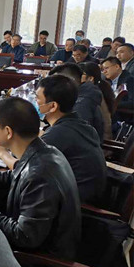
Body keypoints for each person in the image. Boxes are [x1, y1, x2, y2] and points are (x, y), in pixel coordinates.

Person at [0, 97, 81, 260]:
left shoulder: (38, 175)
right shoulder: (45, 151)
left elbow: (25, 237)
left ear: (8, 132)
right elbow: (14, 175)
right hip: (43, 241)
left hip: (41, 262)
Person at [35, 75, 106, 203]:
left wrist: (2, 153)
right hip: (89, 194)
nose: (35, 103)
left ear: (53, 106)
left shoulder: (58, 134)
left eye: (37, 99)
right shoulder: (79, 124)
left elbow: (26, 169)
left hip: (75, 205)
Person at [49, 63, 104, 143]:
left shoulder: (81, 104)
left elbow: (76, 138)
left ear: (69, 81)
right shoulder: (80, 95)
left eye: (55, 83)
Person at [80, 62, 115, 141]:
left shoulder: (92, 96)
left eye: (81, 74)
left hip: (100, 142)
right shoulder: (99, 88)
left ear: (90, 78)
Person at [101, 56, 134, 123]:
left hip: (125, 119)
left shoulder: (129, 80)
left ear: (116, 66)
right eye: (102, 70)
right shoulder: (107, 81)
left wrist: (112, 104)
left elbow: (132, 103)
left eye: (106, 68)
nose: (104, 72)